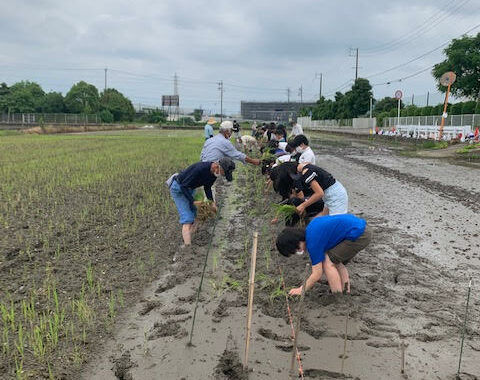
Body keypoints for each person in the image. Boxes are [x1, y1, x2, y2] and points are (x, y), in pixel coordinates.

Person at [276, 214, 372, 294]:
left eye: (296, 250)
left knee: (328, 262)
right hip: (360, 227)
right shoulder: (310, 229)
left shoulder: (313, 242)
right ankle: (345, 290)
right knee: (335, 261)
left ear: (296, 242)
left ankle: (337, 295)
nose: (300, 251)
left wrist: (301, 290)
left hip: (359, 234)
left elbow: (317, 274)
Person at [167, 158, 236, 247]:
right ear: (217, 166)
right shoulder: (200, 169)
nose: (222, 175)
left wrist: (212, 202)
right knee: (187, 217)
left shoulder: (213, 174)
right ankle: (187, 248)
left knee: (197, 214)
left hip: (190, 188)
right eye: (223, 173)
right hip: (179, 188)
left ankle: (188, 235)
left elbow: (207, 187)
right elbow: (183, 186)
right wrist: (194, 201)